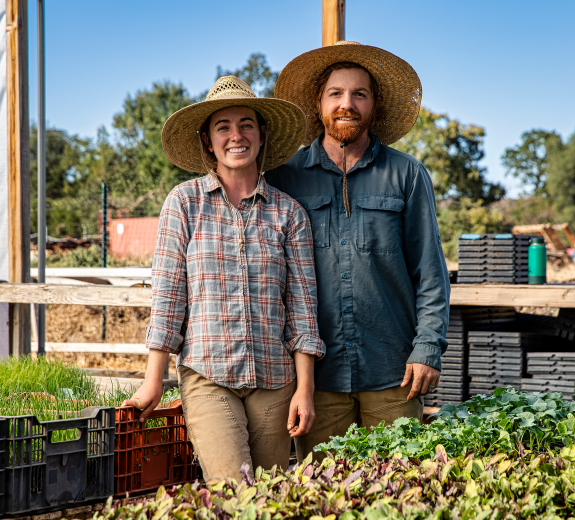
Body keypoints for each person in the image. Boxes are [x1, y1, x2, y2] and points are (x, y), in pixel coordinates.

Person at [123, 76, 326, 480]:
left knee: (268, 496)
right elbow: (168, 299)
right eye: (223, 127)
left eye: (246, 124)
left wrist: (305, 390)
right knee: (233, 488)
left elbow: (303, 311)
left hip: (275, 380)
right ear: (207, 140)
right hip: (208, 375)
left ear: (261, 134)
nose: (237, 135)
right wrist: (153, 381)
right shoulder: (184, 203)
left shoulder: (289, 213)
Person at [266, 42, 450, 460]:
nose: (346, 104)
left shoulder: (406, 174)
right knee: (324, 487)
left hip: (394, 373)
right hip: (316, 380)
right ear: (318, 103)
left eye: (359, 94)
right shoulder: (285, 177)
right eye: (335, 93)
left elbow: (430, 271)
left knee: (401, 485)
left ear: (374, 105)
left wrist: (428, 347)